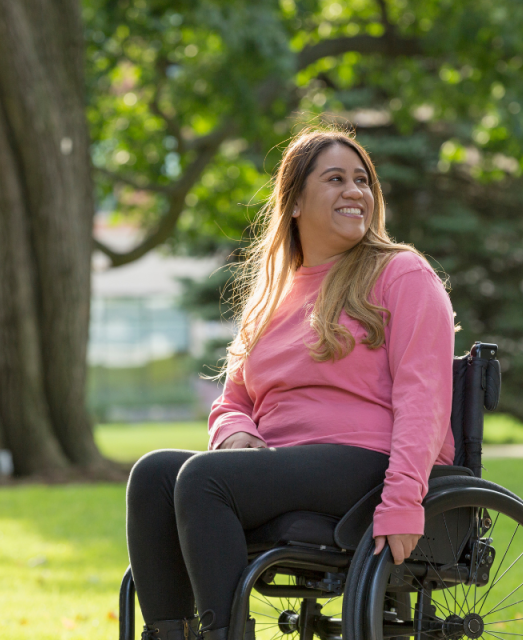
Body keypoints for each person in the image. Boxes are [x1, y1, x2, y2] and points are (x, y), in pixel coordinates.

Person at [125, 127, 456, 640]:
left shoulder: (401, 273)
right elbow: (233, 399)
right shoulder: (274, 295)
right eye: (336, 179)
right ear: (295, 201)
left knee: (203, 479)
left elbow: (424, 397)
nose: (356, 191)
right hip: (281, 465)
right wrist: (236, 434)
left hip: (367, 462)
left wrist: (403, 499)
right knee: (154, 475)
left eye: (362, 180)